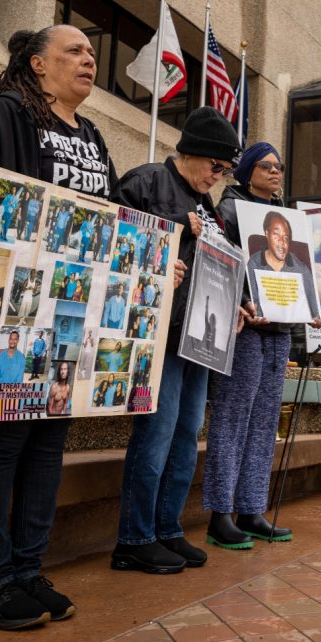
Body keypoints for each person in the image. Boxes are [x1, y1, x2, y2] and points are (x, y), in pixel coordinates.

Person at [0, 25, 135, 631]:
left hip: (68, 324)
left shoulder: (93, 137)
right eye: (76, 51)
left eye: (94, 52)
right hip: (11, 321)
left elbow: (115, 220)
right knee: (2, 446)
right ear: (38, 64)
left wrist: (154, 260)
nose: (90, 59)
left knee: (46, 447)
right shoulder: (4, 117)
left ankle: (25, 568)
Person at [112, 106, 241, 575]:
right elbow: (113, 241)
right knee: (157, 435)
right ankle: (134, 538)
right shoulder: (145, 182)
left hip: (197, 338)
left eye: (225, 170)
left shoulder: (209, 207)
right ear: (194, 153)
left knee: (186, 438)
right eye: (217, 166)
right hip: (157, 336)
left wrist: (235, 307)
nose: (218, 176)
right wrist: (170, 231)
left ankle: (166, 528)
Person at [206, 142, 319, 549]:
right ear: (247, 171)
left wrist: (310, 307)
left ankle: (251, 509)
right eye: (266, 166)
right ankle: (220, 515)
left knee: (266, 422)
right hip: (245, 330)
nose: (275, 172)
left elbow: (296, 273)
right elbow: (218, 261)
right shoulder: (231, 210)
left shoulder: (287, 217)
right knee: (233, 419)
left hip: (280, 331)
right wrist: (241, 302)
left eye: (279, 166)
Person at [246, 210, 321, 322]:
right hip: (257, 330)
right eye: (276, 235)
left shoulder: (300, 268)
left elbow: (314, 308)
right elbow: (253, 301)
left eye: (286, 238)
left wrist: (317, 318)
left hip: (287, 332)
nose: (282, 242)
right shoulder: (254, 263)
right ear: (267, 233)